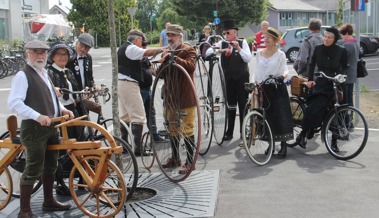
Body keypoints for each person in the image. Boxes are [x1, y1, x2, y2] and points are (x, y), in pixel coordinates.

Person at [7, 40, 74, 218]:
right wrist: (37, 116)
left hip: (51, 126)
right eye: (36, 52)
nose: (40, 56)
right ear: (27, 54)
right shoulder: (23, 75)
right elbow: (14, 103)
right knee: (33, 168)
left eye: (43, 53)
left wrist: (63, 109)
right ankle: (25, 211)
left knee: (51, 165)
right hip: (34, 128)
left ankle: (48, 201)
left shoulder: (43, 72)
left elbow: (50, 96)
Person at [296, 27, 348, 152]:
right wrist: (310, 80)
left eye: (330, 37)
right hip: (322, 81)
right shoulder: (318, 48)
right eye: (325, 36)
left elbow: (345, 66)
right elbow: (312, 64)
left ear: (335, 39)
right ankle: (303, 133)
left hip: (336, 82)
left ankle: (334, 142)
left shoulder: (341, 50)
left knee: (338, 111)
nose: (326, 39)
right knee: (316, 107)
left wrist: (340, 76)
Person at [157, 24, 197, 174]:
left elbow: (191, 66)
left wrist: (173, 58)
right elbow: (162, 75)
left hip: (185, 98)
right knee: (172, 128)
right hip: (170, 98)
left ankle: (190, 162)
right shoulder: (166, 52)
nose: (169, 38)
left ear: (180, 36)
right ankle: (175, 157)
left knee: (187, 130)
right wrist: (158, 66)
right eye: (168, 35)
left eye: (172, 35)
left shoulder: (188, 50)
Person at [117, 29, 164, 156]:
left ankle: (125, 145)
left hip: (122, 83)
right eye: (141, 41)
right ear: (137, 40)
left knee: (125, 115)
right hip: (128, 83)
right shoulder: (131, 48)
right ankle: (138, 148)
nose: (142, 43)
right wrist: (164, 49)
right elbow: (147, 52)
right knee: (139, 115)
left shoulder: (124, 48)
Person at [206, 19, 252, 141]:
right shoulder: (222, 43)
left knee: (243, 105)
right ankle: (229, 131)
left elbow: (248, 58)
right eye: (225, 33)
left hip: (242, 78)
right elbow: (209, 51)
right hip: (229, 79)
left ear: (234, 33)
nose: (226, 35)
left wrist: (238, 48)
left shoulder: (243, 42)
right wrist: (218, 49)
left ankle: (243, 132)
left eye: (228, 33)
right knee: (230, 105)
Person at [254, 27, 293, 158]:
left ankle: (283, 145)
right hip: (263, 89)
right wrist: (254, 83)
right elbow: (256, 71)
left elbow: (285, 69)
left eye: (269, 38)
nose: (266, 40)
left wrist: (282, 76)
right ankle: (271, 144)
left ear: (275, 40)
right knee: (266, 118)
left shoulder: (280, 54)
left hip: (277, 88)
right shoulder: (259, 54)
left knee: (280, 116)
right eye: (265, 37)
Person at [47, 42, 80, 139]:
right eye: (59, 54)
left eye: (65, 54)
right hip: (59, 111)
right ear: (53, 57)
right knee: (64, 139)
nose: (63, 57)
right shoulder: (49, 72)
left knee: (77, 136)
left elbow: (74, 89)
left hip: (71, 109)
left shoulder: (68, 71)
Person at [66, 33, 99, 116]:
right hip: (72, 95)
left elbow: (89, 76)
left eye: (87, 47)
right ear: (77, 42)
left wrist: (92, 85)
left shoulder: (88, 58)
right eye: (82, 45)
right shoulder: (69, 57)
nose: (83, 49)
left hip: (84, 95)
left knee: (85, 118)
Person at [140, 40, 166, 142]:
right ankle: (135, 141)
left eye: (145, 47)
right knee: (137, 116)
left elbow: (151, 69)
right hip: (139, 90)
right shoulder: (135, 58)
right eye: (143, 46)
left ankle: (154, 136)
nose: (144, 49)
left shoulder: (145, 58)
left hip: (147, 90)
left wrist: (161, 74)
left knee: (151, 113)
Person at [339, 23, 360, 107]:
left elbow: (341, 60)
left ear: (347, 33)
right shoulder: (356, 44)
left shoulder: (346, 45)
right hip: (353, 74)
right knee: (350, 97)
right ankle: (350, 116)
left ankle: (348, 118)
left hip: (346, 75)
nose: (342, 37)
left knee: (346, 99)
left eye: (343, 35)